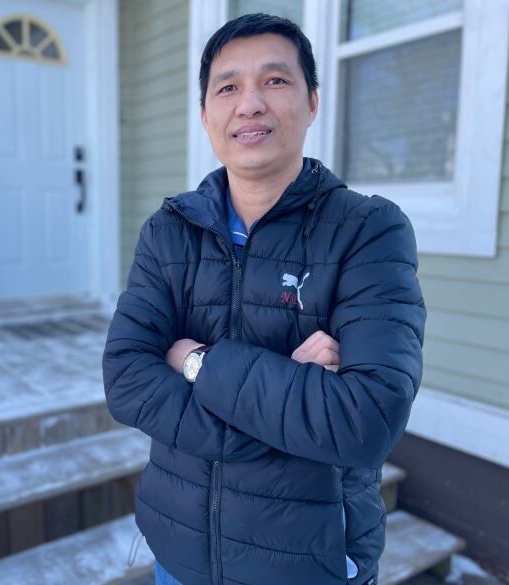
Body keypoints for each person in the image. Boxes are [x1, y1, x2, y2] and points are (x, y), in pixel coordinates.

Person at [102, 12, 425, 585]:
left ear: (312, 101)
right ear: (206, 115)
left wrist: (194, 362)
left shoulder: (367, 230)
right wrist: (286, 408)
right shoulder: (169, 231)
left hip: (310, 563)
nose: (249, 104)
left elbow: (366, 419)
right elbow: (126, 378)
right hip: (180, 556)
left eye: (275, 81)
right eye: (227, 87)